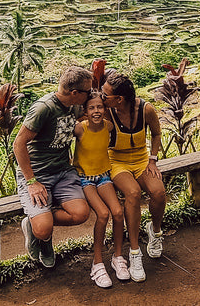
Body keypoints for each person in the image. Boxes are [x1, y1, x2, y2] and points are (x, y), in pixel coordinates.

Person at [13, 66, 92, 268]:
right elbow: (19, 143)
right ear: (75, 93)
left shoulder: (74, 106)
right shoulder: (43, 108)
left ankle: (36, 221)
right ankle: (42, 235)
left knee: (81, 214)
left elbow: (84, 118)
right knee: (43, 229)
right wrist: (31, 181)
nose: (90, 95)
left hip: (63, 171)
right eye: (88, 92)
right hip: (37, 174)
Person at [100, 72, 166, 282]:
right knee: (133, 192)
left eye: (106, 95)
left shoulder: (145, 109)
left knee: (158, 192)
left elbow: (156, 133)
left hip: (141, 160)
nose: (102, 97)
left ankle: (155, 232)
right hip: (116, 162)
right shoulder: (108, 113)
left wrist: (153, 160)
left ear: (119, 99)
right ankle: (135, 251)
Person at [75, 94, 127, 288]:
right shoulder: (80, 129)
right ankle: (97, 263)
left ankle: (118, 257)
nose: (96, 111)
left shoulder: (108, 126)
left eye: (100, 107)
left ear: (105, 110)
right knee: (103, 214)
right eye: (91, 108)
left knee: (118, 212)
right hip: (85, 179)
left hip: (104, 176)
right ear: (85, 112)